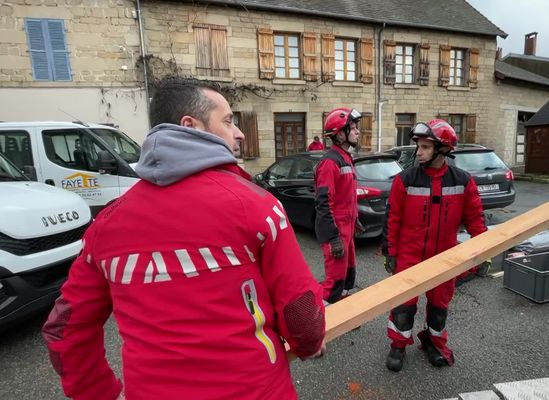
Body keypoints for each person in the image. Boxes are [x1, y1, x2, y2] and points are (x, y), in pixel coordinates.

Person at [42, 77, 326, 400]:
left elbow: (63, 328)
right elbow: (300, 310)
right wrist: (310, 345)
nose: (239, 133)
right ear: (191, 125)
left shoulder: (105, 226)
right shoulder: (257, 206)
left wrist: (100, 393)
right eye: (229, 121)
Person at [382, 119, 486, 372]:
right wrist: (390, 252)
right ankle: (398, 345)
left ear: (443, 149)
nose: (419, 152)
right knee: (404, 306)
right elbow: (392, 218)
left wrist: (484, 252)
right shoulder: (405, 180)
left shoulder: (463, 180)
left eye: (426, 147)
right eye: (419, 146)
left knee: (439, 306)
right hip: (409, 255)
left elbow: (475, 219)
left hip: (445, 257)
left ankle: (433, 342)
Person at [314, 108, 365, 305]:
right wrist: (333, 237)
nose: (358, 132)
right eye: (353, 128)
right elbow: (323, 203)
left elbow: (346, 197)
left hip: (347, 229)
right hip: (336, 232)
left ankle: (343, 311)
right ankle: (320, 318)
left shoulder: (345, 158)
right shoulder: (330, 162)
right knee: (334, 282)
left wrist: (355, 219)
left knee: (348, 275)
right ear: (340, 133)